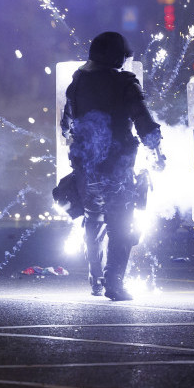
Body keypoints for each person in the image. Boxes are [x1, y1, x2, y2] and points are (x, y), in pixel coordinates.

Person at [61, 31, 164, 301]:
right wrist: (157, 152)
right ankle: (114, 283)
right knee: (121, 224)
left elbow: (66, 124)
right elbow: (143, 120)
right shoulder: (126, 82)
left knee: (92, 220)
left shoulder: (78, 80)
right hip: (117, 167)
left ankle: (96, 281)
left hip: (86, 167)